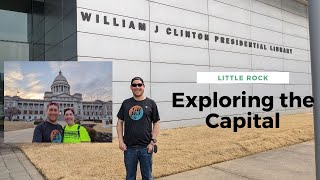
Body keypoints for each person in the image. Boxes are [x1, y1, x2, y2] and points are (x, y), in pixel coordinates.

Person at [117, 77, 160, 180]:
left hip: (146, 148)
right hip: (129, 148)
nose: (137, 87)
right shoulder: (126, 103)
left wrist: (152, 142)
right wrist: (121, 142)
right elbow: (119, 122)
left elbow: (157, 122)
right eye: (134, 85)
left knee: (147, 177)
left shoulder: (151, 103)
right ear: (131, 87)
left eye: (139, 84)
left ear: (143, 87)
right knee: (130, 177)